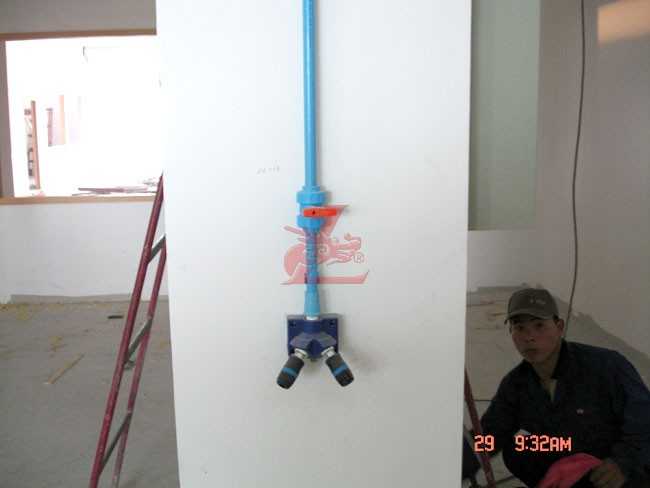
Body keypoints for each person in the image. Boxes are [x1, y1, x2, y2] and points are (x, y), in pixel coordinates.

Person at [462, 288, 650, 488]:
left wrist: (623, 463)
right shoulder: (516, 384)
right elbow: (491, 435)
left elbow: (645, 420)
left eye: (539, 325)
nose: (529, 337)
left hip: (608, 464)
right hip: (566, 448)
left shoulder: (606, 366)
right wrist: (460, 460)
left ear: (559, 327)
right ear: (511, 333)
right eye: (520, 327)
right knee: (518, 448)